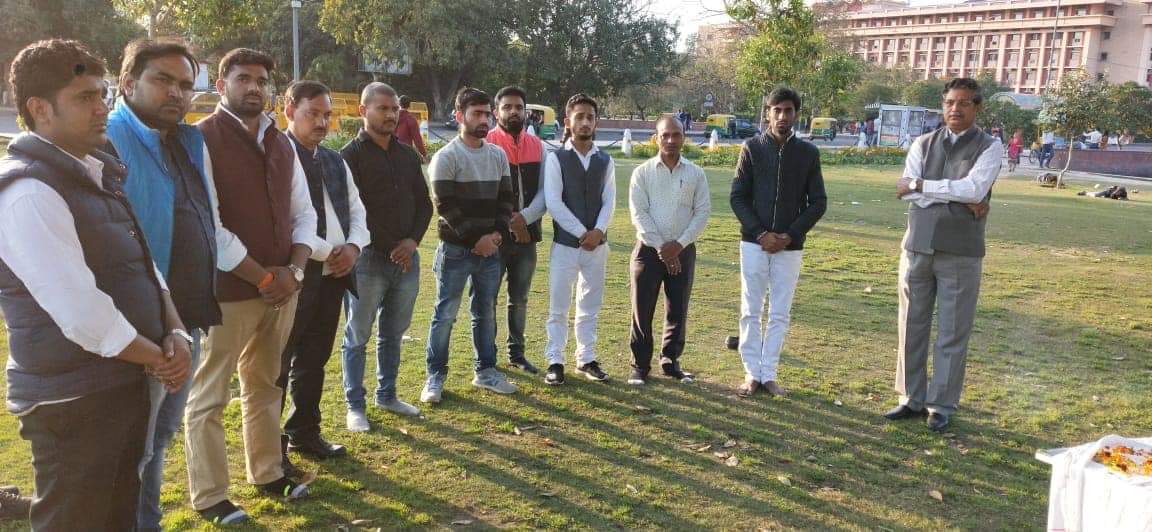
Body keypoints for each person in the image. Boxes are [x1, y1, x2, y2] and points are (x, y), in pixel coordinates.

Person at [0, 38, 191, 530]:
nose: (102, 108)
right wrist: (159, 357)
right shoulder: (28, 191)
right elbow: (81, 312)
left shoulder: (93, 170)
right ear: (40, 109)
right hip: (72, 399)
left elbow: (144, 265)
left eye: (102, 94)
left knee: (116, 514)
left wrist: (175, 330)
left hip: (118, 383)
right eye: (85, 97)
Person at [185, 48, 327, 524]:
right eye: (243, 78)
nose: (253, 87)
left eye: (261, 80)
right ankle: (209, 496)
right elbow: (211, 228)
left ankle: (267, 473)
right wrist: (266, 277)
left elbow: (304, 214)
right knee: (210, 395)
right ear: (221, 84)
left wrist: (295, 273)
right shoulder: (201, 139)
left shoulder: (280, 142)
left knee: (265, 384)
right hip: (228, 292)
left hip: (283, 289)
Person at [106, 38, 224, 532]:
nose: (177, 92)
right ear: (128, 82)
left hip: (184, 319)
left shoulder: (188, 140)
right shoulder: (109, 140)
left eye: (185, 84)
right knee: (133, 446)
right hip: (138, 324)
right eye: (162, 80)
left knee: (157, 440)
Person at [887, 77, 1002, 432]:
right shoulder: (922, 143)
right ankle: (910, 397)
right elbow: (907, 192)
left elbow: (974, 189)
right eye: (950, 102)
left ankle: (940, 404)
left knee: (953, 330)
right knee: (911, 324)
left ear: (977, 107)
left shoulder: (990, 147)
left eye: (964, 103)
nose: (956, 109)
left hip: (961, 251)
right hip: (917, 246)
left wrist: (924, 186)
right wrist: (955, 196)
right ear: (943, 105)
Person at [277, 80, 370, 462]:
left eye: (327, 115)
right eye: (312, 113)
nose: (321, 122)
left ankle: (304, 432)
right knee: (278, 364)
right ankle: (271, 449)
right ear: (289, 110)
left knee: (314, 359)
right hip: (296, 275)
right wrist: (328, 251)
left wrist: (353, 248)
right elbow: (282, 223)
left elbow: (358, 212)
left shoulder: (334, 159)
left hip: (334, 276)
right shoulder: (277, 156)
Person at [339, 82, 432, 430]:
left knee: (393, 332)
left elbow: (425, 204)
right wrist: (394, 246)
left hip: (407, 260)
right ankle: (355, 405)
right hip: (367, 260)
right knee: (357, 335)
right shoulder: (349, 157)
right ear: (363, 111)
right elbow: (353, 212)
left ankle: (387, 395)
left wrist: (412, 242)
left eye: (394, 109)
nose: (391, 115)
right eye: (383, 108)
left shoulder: (407, 156)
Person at [421, 87, 518, 403]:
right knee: (445, 314)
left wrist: (496, 236)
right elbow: (445, 207)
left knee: (485, 313)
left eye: (487, 113)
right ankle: (435, 376)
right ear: (459, 116)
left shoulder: (497, 155)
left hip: (490, 251)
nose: (484, 119)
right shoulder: (446, 157)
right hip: (456, 251)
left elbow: (507, 200)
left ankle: (486, 372)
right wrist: (476, 240)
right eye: (477, 113)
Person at [729, 87, 827, 398]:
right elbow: (737, 197)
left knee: (780, 312)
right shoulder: (752, 148)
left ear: (796, 114)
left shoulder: (808, 153)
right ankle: (751, 374)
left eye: (788, 110)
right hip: (754, 243)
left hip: (789, 246)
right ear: (768, 113)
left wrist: (789, 235)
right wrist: (760, 233)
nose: (782, 116)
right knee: (750, 309)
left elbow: (818, 202)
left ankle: (769, 374)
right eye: (777, 110)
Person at [626, 116, 710, 385]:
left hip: (683, 249)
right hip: (648, 251)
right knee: (642, 310)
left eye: (676, 135)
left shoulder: (695, 174)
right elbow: (639, 214)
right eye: (666, 135)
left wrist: (679, 245)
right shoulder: (642, 173)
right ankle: (640, 365)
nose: (671, 140)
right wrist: (663, 248)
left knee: (678, 308)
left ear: (684, 137)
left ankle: (670, 360)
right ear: (656, 137)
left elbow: (702, 213)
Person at [541, 93, 616, 385]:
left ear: (596, 122)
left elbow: (609, 200)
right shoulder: (556, 158)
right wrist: (582, 233)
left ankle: (586, 358)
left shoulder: (605, 160)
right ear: (567, 122)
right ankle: (555, 360)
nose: (585, 122)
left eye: (590, 117)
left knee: (590, 306)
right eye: (580, 117)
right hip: (565, 245)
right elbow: (553, 202)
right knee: (558, 307)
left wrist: (598, 231)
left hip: (597, 246)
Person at [486, 86, 548, 375]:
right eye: (507, 107)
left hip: (527, 237)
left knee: (519, 299)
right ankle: (487, 358)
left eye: (518, 107)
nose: (513, 112)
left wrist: (524, 218)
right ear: (496, 112)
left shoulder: (538, 146)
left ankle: (517, 354)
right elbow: (484, 194)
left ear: (526, 112)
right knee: (487, 298)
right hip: (494, 236)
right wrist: (511, 222)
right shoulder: (487, 143)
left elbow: (546, 192)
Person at [395, 95, 427, 161]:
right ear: (409, 105)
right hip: (405, 152)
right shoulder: (411, 119)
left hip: (391, 152)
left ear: (398, 104)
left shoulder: (392, 118)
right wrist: (424, 154)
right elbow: (417, 139)